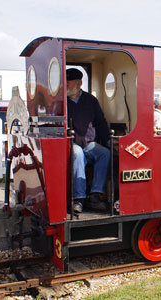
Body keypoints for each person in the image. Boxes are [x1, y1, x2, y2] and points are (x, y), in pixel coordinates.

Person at [66, 68, 110, 213]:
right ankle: (78, 199)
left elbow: (101, 122)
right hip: (72, 143)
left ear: (79, 83)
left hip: (89, 143)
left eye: (68, 82)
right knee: (77, 153)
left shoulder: (90, 100)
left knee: (105, 153)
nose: (65, 84)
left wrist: (109, 141)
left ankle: (95, 195)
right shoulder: (61, 102)